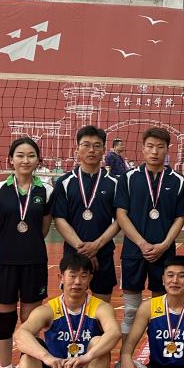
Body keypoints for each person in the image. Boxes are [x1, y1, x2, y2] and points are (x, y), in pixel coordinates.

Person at [0, 137, 54, 368]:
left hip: (34, 262)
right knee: (4, 320)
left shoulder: (46, 191)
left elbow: (44, 229)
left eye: (31, 155)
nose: (25, 160)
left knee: (30, 321)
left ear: (38, 160)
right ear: (10, 160)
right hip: (4, 263)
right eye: (20, 155)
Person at [115, 127, 184, 336]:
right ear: (143, 148)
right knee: (131, 311)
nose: (155, 151)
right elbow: (121, 214)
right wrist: (141, 243)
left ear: (167, 149)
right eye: (150, 146)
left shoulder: (178, 180)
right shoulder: (128, 178)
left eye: (160, 147)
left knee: (161, 310)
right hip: (134, 251)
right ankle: (126, 354)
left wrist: (164, 245)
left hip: (164, 252)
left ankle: (158, 353)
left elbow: (180, 217)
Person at [52, 126, 121, 303]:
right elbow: (59, 219)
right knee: (71, 303)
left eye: (97, 146)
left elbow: (120, 220)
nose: (91, 150)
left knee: (102, 303)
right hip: (73, 253)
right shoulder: (64, 182)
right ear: (77, 149)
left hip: (103, 252)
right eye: (86, 145)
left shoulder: (115, 183)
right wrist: (84, 250)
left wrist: (97, 245)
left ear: (103, 150)